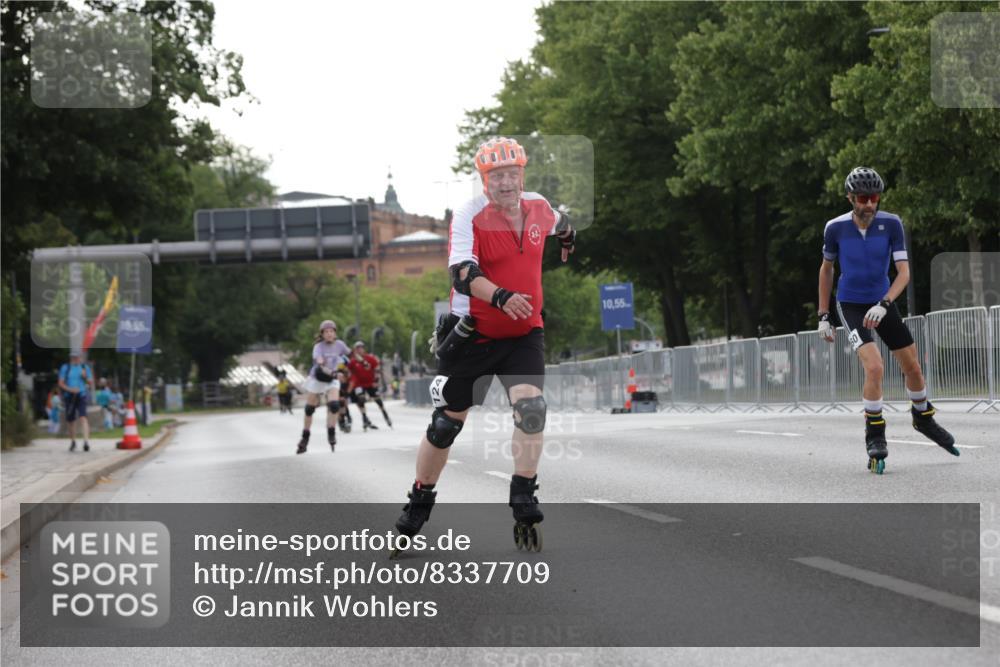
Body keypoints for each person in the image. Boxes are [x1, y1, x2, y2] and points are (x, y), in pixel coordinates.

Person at [392, 137, 576, 553]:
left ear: (522, 175)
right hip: (474, 331)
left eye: (513, 174)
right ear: (484, 180)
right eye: (497, 177)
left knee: (531, 409)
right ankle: (418, 504)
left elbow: (562, 223)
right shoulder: (469, 215)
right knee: (445, 425)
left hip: (524, 333)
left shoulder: (538, 207)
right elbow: (462, 273)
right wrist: (501, 297)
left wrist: (567, 240)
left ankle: (524, 497)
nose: (506, 183)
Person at [818, 166, 957, 474]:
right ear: (851, 198)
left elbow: (904, 272)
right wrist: (824, 315)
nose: (870, 204)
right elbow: (826, 270)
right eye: (864, 198)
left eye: (875, 198)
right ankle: (875, 433)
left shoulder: (892, 224)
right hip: (851, 305)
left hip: (883, 301)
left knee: (913, 366)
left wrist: (884, 303)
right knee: (875, 366)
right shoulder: (835, 228)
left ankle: (923, 416)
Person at [295, 320, 351, 454]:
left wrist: (360, 361)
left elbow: (351, 354)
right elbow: (320, 364)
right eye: (326, 332)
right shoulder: (318, 347)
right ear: (322, 334)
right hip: (318, 377)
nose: (329, 334)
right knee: (309, 409)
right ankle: (305, 437)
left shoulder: (340, 345)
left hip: (332, 379)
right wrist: (333, 372)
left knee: (334, 406)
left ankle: (331, 431)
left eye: (331, 331)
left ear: (335, 333)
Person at [346, 340, 392, 430]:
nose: (360, 350)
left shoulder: (370, 358)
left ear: (363, 349)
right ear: (355, 350)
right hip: (359, 384)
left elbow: (377, 369)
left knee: (378, 400)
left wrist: (376, 381)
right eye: (357, 349)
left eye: (361, 348)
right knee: (361, 399)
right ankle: (364, 417)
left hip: (370, 383)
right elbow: (348, 371)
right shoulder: (353, 361)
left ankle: (385, 415)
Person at [58, 350, 94, 452]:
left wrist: (85, 376)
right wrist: (70, 389)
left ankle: (86, 442)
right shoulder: (66, 368)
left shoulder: (84, 368)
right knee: (71, 420)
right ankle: (73, 441)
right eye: (73, 357)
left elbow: (90, 382)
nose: (75, 359)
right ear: (71, 358)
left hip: (81, 395)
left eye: (77, 357)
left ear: (80, 358)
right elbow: (61, 383)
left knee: (83, 417)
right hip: (69, 396)